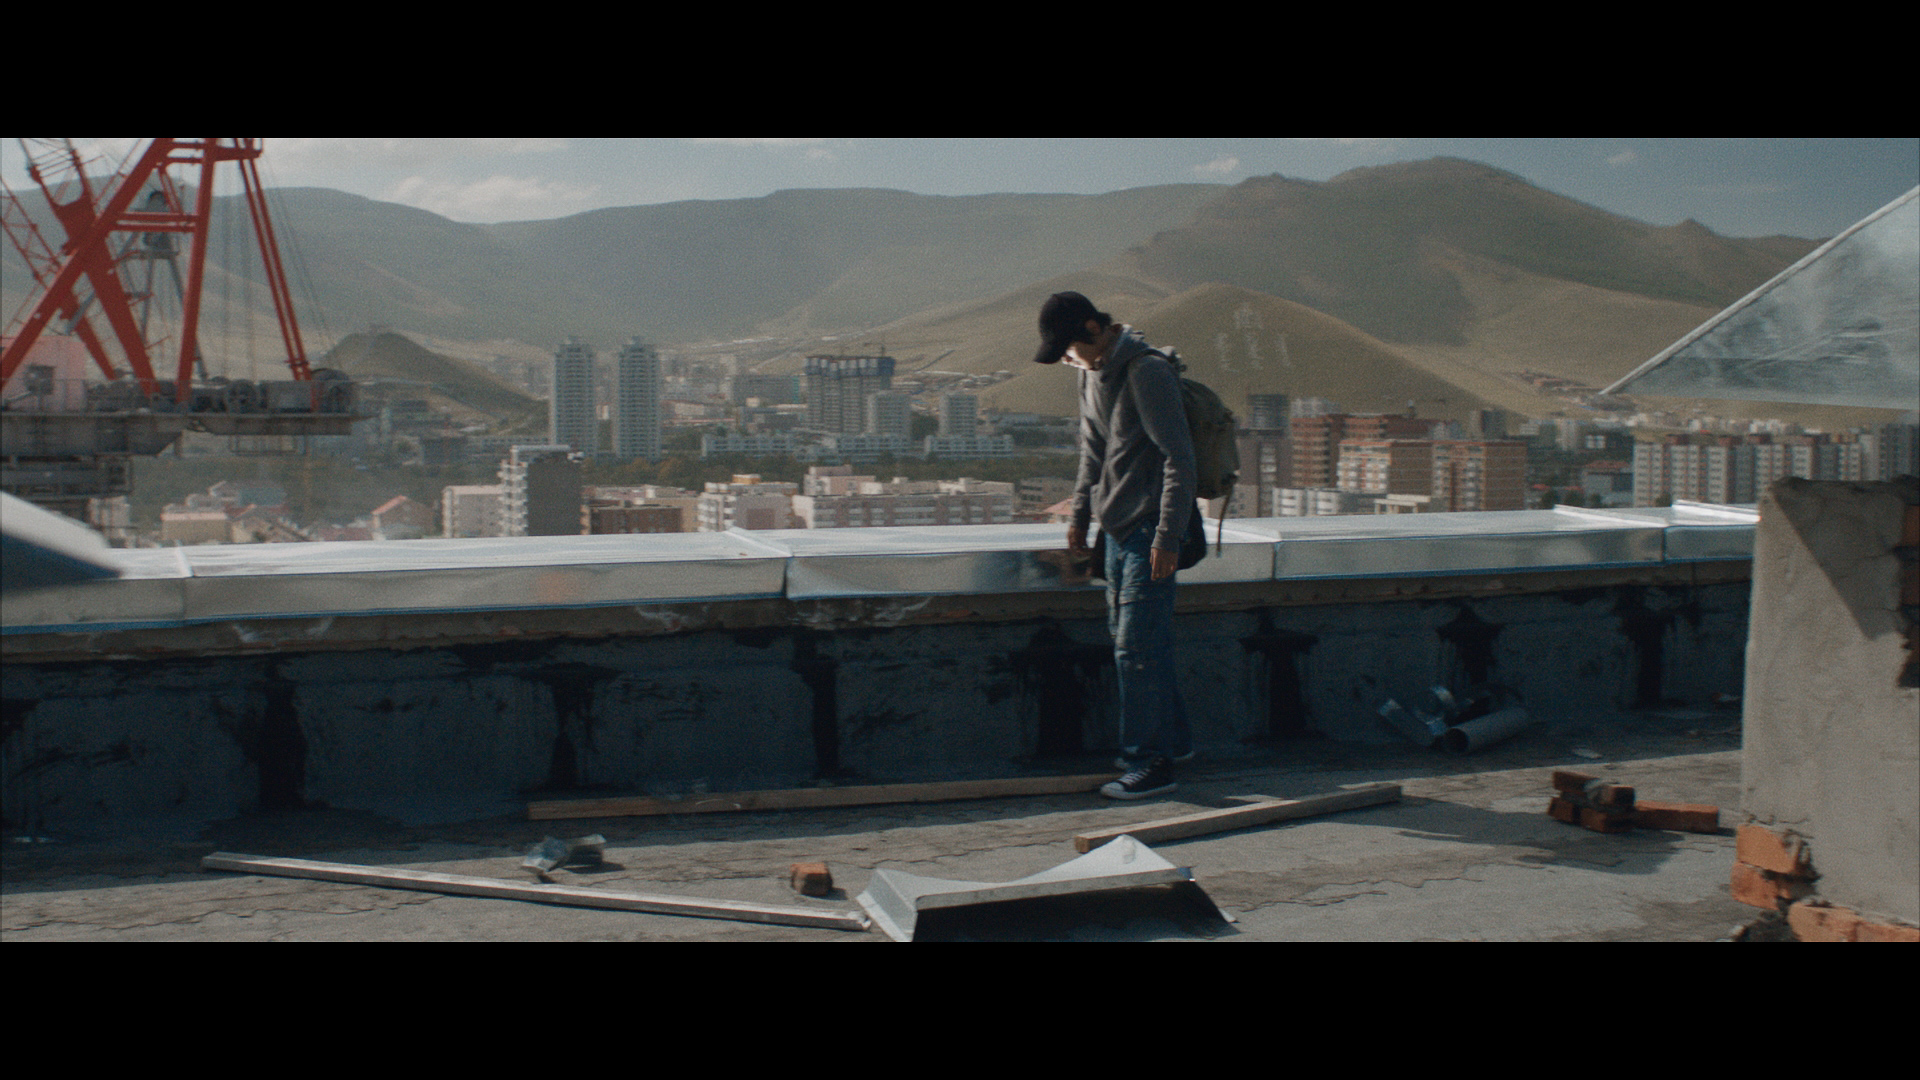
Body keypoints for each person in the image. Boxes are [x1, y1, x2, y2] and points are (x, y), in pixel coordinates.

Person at [1032, 291, 1195, 799]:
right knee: (1138, 644)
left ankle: (1149, 763)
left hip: (1149, 532)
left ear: (1093, 328)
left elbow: (1179, 458)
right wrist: (1080, 514)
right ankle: (1176, 744)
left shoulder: (1147, 371)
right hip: (1116, 531)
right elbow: (1093, 451)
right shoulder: (1090, 373)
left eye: (1069, 349)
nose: (1068, 359)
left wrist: (1168, 537)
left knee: (1136, 648)